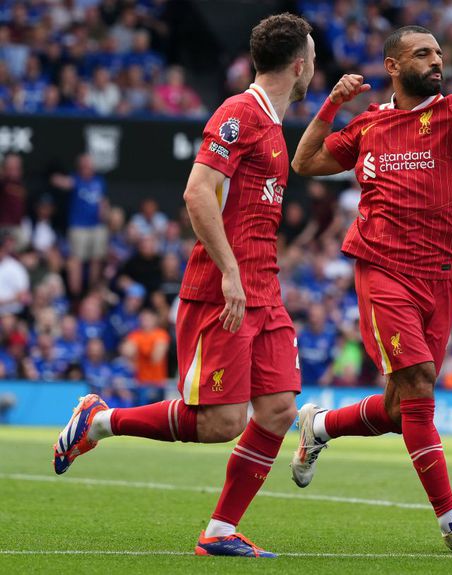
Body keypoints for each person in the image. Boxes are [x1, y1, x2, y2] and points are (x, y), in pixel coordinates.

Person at [290, 24, 452, 555]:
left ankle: (319, 426)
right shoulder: (369, 124)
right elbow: (304, 163)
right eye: (422, 54)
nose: (435, 61)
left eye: (438, 53)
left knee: (399, 409)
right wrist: (331, 105)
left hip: (439, 278)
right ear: (394, 66)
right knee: (418, 386)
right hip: (382, 268)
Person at [53, 13, 315, 558]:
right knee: (220, 423)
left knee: (279, 411)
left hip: (264, 289)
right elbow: (197, 194)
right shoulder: (239, 113)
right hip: (226, 290)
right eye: (313, 55)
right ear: (299, 64)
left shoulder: (272, 122)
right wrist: (229, 272)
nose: (315, 63)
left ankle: (220, 531)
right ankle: (98, 422)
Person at [50, 153, 109, 296]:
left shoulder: (99, 181)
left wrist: (104, 212)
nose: (87, 168)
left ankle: (91, 291)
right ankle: (75, 295)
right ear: (80, 167)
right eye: (84, 165)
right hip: (78, 227)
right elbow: (60, 181)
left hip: (96, 226)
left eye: (89, 165)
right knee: (76, 261)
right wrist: (55, 176)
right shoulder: (76, 179)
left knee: (96, 259)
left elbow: (102, 200)